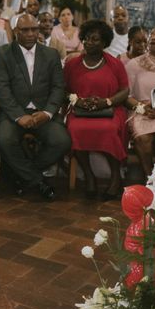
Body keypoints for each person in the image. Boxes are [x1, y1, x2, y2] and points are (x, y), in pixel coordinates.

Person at [0, 14, 71, 201]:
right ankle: (38, 181)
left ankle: (23, 176)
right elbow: (1, 88)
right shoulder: (3, 53)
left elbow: (58, 87)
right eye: (24, 30)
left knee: (62, 141)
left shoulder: (51, 54)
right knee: (4, 140)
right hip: (14, 114)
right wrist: (19, 116)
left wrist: (47, 112)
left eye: (34, 29)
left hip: (43, 113)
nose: (30, 34)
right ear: (16, 31)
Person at [64, 20, 129, 200]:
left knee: (109, 130)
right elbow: (64, 89)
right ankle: (89, 175)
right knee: (75, 129)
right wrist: (77, 101)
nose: (89, 42)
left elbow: (125, 90)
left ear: (105, 43)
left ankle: (115, 177)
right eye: (86, 38)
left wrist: (106, 102)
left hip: (109, 111)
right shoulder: (72, 64)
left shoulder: (115, 64)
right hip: (80, 112)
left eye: (95, 40)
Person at [125, 25, 155, 177]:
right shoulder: (134, 64)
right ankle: (149, 177)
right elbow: (126, 96)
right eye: (153, 35)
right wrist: (143, 108)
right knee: (144, 139)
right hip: (141, 111)